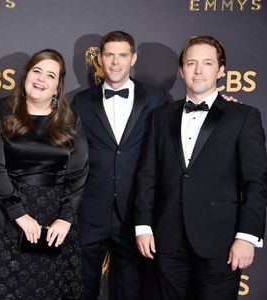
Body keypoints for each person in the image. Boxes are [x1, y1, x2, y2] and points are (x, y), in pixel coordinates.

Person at [135, 35, 267, 300]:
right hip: (167, 240)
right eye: (191, 63)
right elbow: (148, 174)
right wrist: (143, 226)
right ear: (181, 70)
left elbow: (256, 181)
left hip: (221, 242)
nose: (198, 70)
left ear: (220, 71)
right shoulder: (160, 117)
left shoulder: (244, 116)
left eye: (207, 63)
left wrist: (247, 236)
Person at [0, 49, 88, 299]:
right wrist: (18, 214)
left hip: (54, 221)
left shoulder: (70, 118)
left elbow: (78, 171)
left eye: (50, 75)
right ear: (26, 75)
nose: (41, 79)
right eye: (37, 71)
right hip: (5, 216)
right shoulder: (1, 111)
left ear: (57, 87)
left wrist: (65, 218)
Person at [72, 31, 168, 299]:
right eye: (110, 55)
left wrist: (224, 103)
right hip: (90, 211)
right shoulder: (81, 101)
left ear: (133, 58)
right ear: (99, 59)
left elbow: (175, 136)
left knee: (130, 288)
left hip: (135, 213)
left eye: (123, 55)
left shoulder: (155, 98)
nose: (116, 62)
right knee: (82, 287)